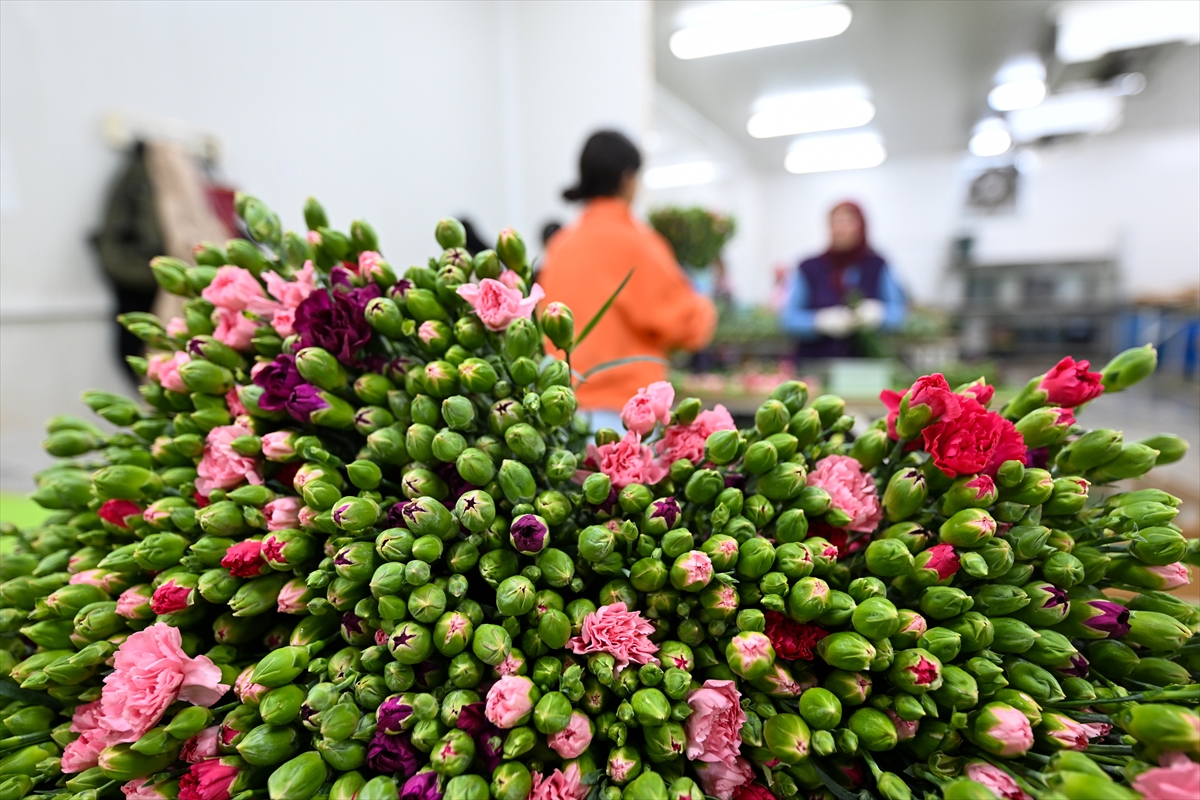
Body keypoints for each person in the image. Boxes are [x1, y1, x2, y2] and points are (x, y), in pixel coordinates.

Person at [538, 131, 717, 431]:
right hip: (624, 415)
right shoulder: (639, 243)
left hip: (561, 414)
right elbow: (685, 325)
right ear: (627, 178)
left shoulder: (560, 246)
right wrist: (705, 305)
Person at [781, 201, 906, 358]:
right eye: (836, 222)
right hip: (816, 361)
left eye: (848, 222)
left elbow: (899, 314)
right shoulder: (808, 267)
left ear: (861, 226)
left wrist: (879, 314)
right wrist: (819, 322)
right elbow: (788, 319)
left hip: (865, 362)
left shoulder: (877, 265)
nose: (841, 229)